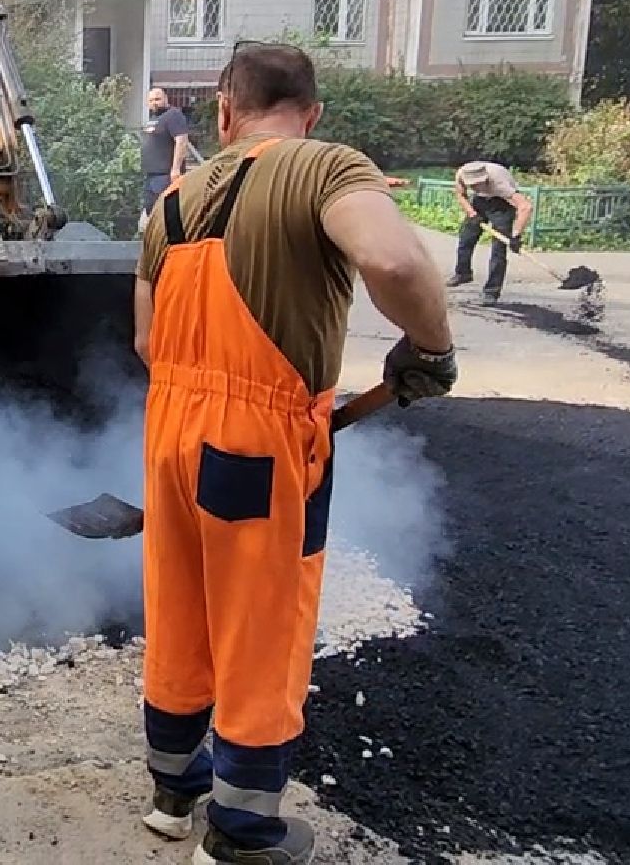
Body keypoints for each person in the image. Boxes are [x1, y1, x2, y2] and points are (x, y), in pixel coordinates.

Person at [132, 43, 457, 864]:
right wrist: (433, 348)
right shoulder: (325, 167)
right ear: (310, 114)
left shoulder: (170, 202)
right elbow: (390, 257)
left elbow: (144, 341)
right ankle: (241, 834)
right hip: (260, 444)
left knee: (180, 610)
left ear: (223, 114)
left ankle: (174, 795)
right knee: (259, 631)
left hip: (170, 431)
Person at [448, 160, 534, 304]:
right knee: (466, 239)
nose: (474, 187)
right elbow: (460, 195)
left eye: (477, 184)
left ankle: (491, 291)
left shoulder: (500, 183)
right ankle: (463, 273)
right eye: (472, 186)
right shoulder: (462, 174)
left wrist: (516, 235)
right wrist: (471, 213)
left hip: (502, 205)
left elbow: (526, 206)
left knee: (498, 250)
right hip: (480, 203)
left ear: (485, 179)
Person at [141, 87, 198, 222]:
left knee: (164, 214)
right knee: (151, 210)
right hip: (151, 175)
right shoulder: (154, 118)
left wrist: (176, 169)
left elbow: (181, 141)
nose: (154, 103)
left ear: (165, 99)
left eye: (157, 99)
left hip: (165, 175)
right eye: (151, 100)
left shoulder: (173, 115)